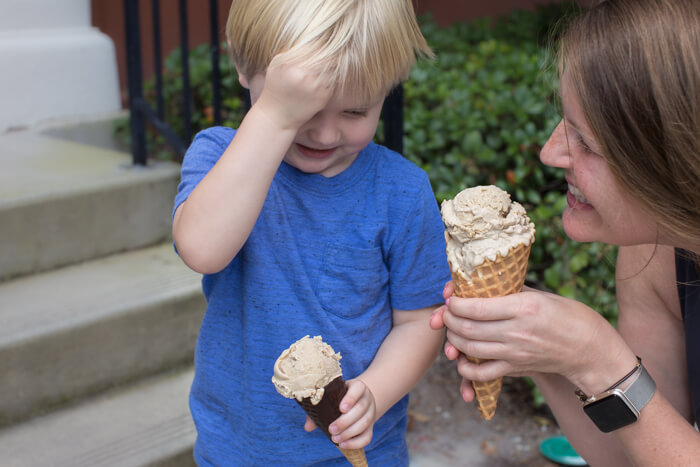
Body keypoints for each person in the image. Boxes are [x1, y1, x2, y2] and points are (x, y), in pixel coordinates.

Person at [172, 0, 450, 464]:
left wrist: (375, 393)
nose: (324, 135)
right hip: (237, 450)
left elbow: (420, 320)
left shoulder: (400, 190)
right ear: (244, 69)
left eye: (355, 111)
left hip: (362, 452)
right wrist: (274, 118)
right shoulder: (220, 156)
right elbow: (202, 249)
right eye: (303, 109)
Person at [430, 0, 700, 465]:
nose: (549, 153)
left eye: (586, 142)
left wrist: (600, 358)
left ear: (674, 160)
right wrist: (547, 352)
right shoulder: (652, 254)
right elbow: (632, 456)